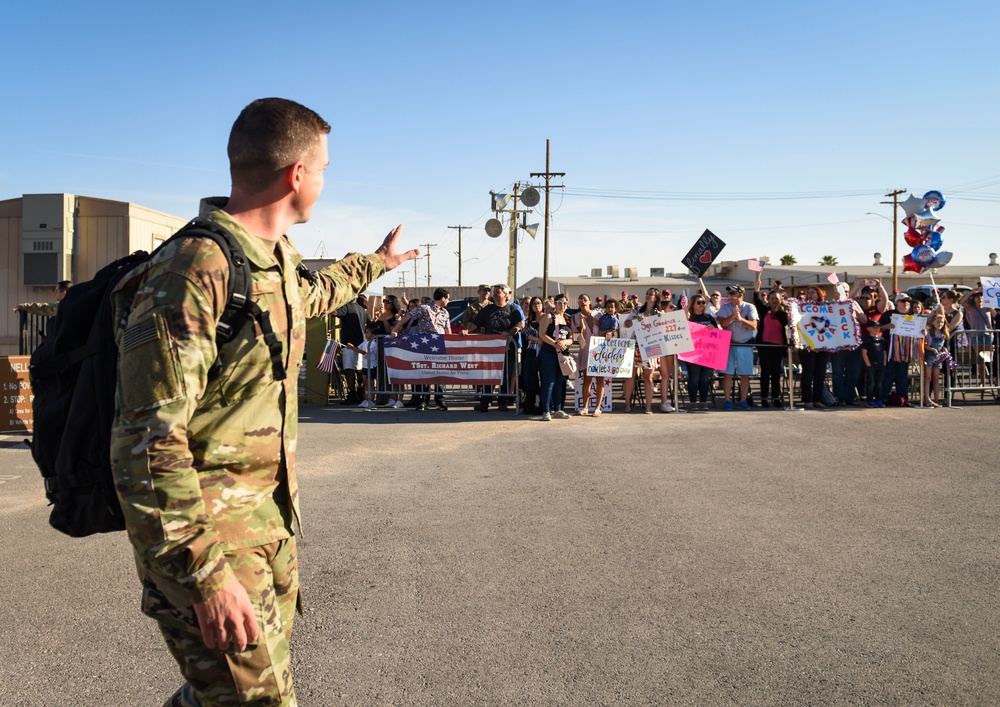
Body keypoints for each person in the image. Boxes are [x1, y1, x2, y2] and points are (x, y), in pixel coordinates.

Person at [110, 98, 417, 707]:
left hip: (268, 532)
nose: (325, 182)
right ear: (296, 174)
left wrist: (376, 264)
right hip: (212, 546)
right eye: (324, 168)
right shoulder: (195, 269)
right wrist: (204, 577)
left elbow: (315, 294)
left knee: (219, 696)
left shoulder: (272, 259)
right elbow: (146, 441)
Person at [391, 287, 451, 410]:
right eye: (448, 299)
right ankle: (424, 401)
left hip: (439, 345)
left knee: (440, 374)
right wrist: (395, 329)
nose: (448, 301)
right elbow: (407, 317)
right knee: (426, 373)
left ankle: (440, 401)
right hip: (425, 345)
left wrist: (451, 343)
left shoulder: (445, 312)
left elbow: (447, 329)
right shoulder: (424, 308)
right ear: (443, 298)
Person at [466, 283, 523, 412]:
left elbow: (517, 326)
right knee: (488, 375)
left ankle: (502, 402)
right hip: (490, 349)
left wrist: (508, 334)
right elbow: (475, 323)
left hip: (508, 348)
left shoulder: (513, 310)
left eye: (498, 292)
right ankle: (485, 402)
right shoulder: (488, 309)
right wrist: (467, 331)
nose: (495, 294)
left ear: (506, 294)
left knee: (506, 375)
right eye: (495, 292)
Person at [621, 287, 664, 414]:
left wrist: (662, 317)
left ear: (656, 297)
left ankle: (649, 406)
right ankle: (627, 404)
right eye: (647, 294)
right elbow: (626, 324)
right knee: (630, 376)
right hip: (636, 345)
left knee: (648, 377)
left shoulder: (660, 312)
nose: (648, 296)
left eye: (651, 294)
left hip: (651, 345)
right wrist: (635, 320)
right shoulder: (638, 309)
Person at [716, 284, 758, 410]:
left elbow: (754, 325)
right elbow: (722, 324)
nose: (729, 296)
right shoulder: (725, 307)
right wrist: (732, 316)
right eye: (729, 294)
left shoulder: (750, 307)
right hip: (729, 344)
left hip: (745, 344)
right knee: (727, 374)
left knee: (745, 374)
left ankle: (743, 400)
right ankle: (727, 400)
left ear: (740, 295)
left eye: (732, 294)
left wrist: (740, 319)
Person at [536, 293, 573, 420]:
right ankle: (546, 410)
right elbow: (542, 334)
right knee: (548, 382)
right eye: (559, 303)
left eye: (565, 303)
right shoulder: (549, 316)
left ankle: (558, 409)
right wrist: (555, 343)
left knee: (559, 382)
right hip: (548, 353)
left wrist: (564, 343)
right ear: (555, 304)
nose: (562, 305)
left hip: (561, 354)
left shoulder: (568, 319)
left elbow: (571, 339)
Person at [333, 293, 370, 404]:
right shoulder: (362, 309)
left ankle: (352, 394)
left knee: (349, 369)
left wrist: (331, 305)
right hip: (361, 343)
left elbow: (335, 313)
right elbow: (370, 321)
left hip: (349, 344)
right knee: (359, 370)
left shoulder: (347, 307)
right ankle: (361, 392)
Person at [754, 288, 789, 408]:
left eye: (776, 299)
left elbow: (785, 324)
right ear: (768, 299)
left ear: (780, 300)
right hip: (764, 346)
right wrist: (756, 289)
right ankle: (764, 399)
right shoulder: (764, 311)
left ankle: (776, 398)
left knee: (775, 373)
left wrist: (776, 311)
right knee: (765, 372)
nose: (774, 301)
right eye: (772, 298)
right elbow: (757, 300)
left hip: (778, 346)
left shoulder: (783, 314)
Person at [797, 284, 830, 409]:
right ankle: (807, 400)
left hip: (823, 345)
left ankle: (817, 399)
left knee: (820, 373)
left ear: (819, 295)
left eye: (813, 292)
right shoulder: (802, 308)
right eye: (808, 292)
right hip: (807, 346)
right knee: (808, 373)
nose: (810, 294)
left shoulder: (826, 308)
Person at [685, 294, 718, 410]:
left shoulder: (709, 317)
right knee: (694, 378)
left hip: (707, 352)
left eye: (703, 302)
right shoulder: (689, 318)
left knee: (705, 379)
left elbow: (718, 333)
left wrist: (712, 329)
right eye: (699, 302)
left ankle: (703, 401)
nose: (702, 305)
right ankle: (693, 402)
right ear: (693, 304)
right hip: (693, 353)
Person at [880, 293, 915, 403]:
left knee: (902, 374)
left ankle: (903, 398)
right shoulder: (888, 314)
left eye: (908, 301)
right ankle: (884, 397)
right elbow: (878, 328)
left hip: (904, 349)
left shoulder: (912, 316)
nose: (906, 304)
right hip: (890, 348)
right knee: (889, 374)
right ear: (896, 302)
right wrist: (886, 327)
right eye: (903, 301)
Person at [520, 296, 545, 415]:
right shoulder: (528, 321)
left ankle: (543, 405)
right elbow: (527, 335)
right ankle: (530, 404)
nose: (536, 305)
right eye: (534, 304)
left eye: (539, 303)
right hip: (530, 351)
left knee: (543, 380)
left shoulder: (547, 318)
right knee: (530, 379)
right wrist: (537, 339)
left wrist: (542, 339)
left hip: (544, 351)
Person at [922, 312, 948, 407]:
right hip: (929, 356)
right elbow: (924, 346)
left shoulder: (943, 334)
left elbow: (942, 345)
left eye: (941, 322)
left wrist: (944, 349)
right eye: (938, 322)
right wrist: (931, 349)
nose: (940, 324)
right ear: (933, 322)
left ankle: (936, 399)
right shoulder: (929, 333)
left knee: (936, 379)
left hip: (938, 357)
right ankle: (927, 398)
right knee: (928, 377)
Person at [861, 319, 886, 407]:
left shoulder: (882, 339)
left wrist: (884, 362)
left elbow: (884, 352)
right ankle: (870, 400)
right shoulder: (867, 340)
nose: (877, 329)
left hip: (880, 364)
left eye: (878, 327)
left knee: (879, 384)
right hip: (871, 364)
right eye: (874, 327)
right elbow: (864, 352)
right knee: (871, 383)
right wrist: (868, 364)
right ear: (869, 329)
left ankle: (878, 400)